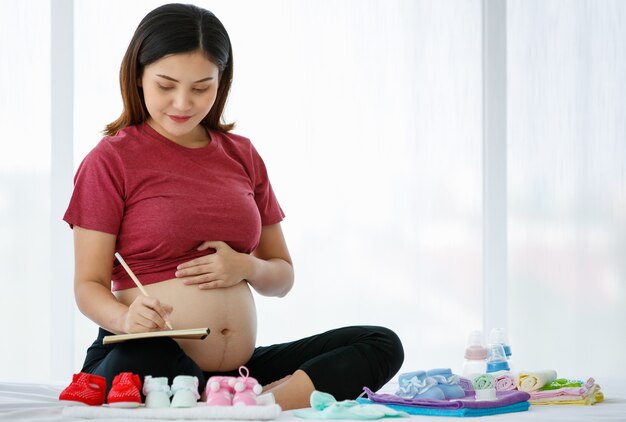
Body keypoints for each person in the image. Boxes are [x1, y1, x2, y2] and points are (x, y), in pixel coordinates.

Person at [63, 3, 403, 410]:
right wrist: (124, 320)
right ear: (138, 76)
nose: (183, 103)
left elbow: (282, 276)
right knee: (144, 358)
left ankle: (251, 401)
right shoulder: (110, 159)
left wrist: (247, 267)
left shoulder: (242, 155)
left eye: (201, 87)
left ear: (221, 81)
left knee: (380, 343)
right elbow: (88, 286)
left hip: (237, 369)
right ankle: (227, 401)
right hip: (146, 352)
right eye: (166, 85)